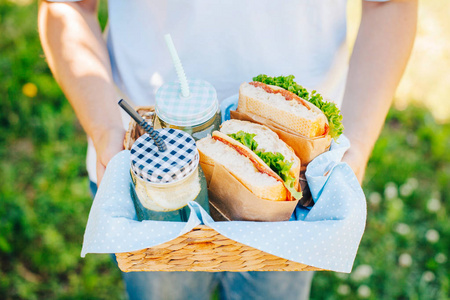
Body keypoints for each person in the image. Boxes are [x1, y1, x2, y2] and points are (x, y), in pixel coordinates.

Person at [38, 1, 417, 299]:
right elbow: (66, 4)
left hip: (304, 175)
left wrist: (358, 147)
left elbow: (389, 4)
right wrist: (107, 134)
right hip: (148, 165)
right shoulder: (131, 152)